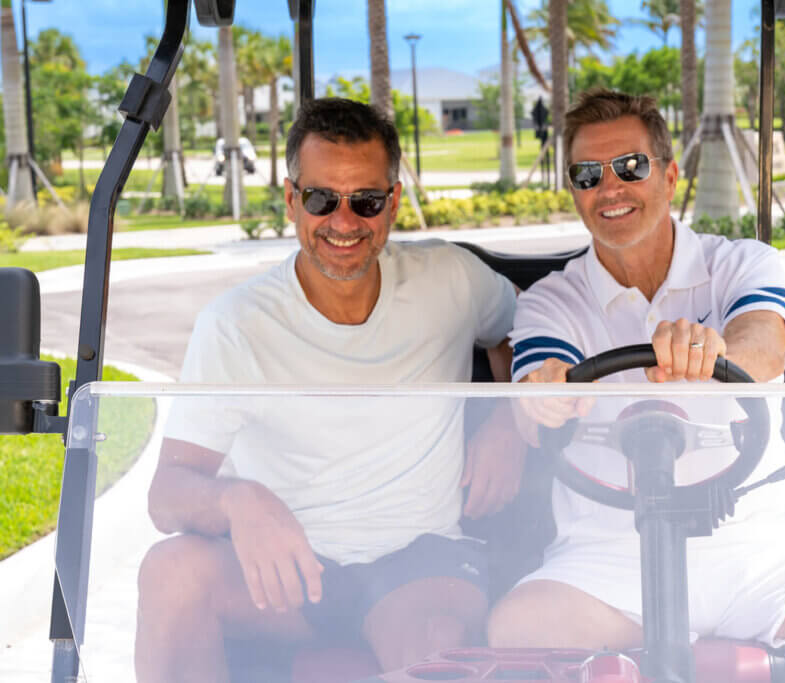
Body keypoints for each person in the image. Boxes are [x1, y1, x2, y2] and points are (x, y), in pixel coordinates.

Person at [486, 90, 785, 683]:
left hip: (752, 546)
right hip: (607, 558)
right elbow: (540, 379)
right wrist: (544, 395)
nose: (610, 187)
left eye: (631, 166)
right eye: (587, 174)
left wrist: (718, 352)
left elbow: (764, 343)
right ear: (573, 190)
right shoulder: (553, 300)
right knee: (514, 630)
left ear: (670, 175)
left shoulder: (740, 264)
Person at [135, 98, 521, 683]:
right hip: (288, 570)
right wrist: (238, 501)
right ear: (293, 201)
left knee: (434, 642)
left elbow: (528, 332)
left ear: (391, 203)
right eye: (321, 199)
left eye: (365, 200)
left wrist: (509, 419)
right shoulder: (236, 325)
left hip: (421, 558)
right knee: (169, 572)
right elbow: (168, 494)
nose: (344, 222)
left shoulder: (451, 279)